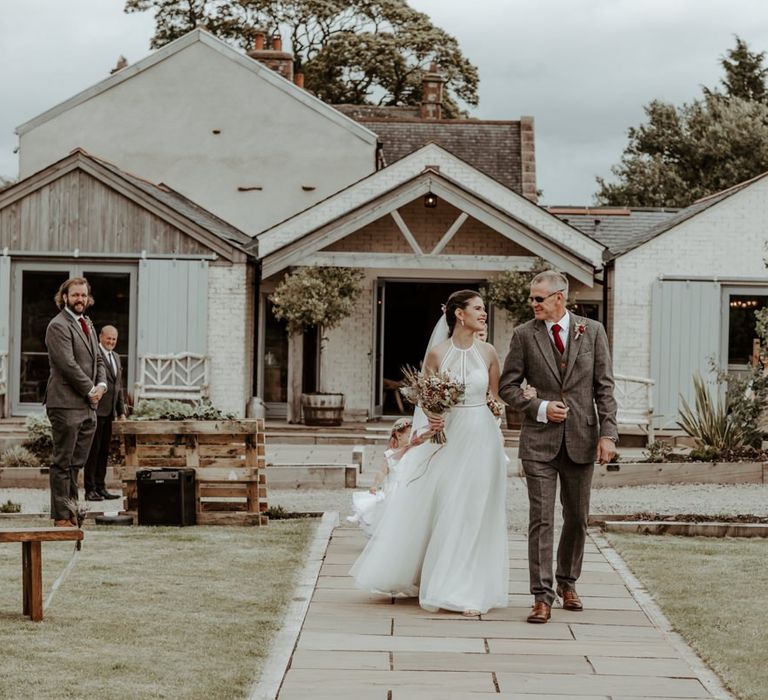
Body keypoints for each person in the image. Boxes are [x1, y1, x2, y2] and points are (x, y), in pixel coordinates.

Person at [351, 290, 509, 616]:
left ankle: (468, 585)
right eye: (478, 309)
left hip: (482, 438)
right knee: (448, 504)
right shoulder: (438, 354)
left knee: (475, 509)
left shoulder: (489, 352)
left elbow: (495, 400)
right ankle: (440, 579)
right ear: (459, 314)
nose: (484, 314)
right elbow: (424, 400)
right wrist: (433, 416)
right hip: (449, 437)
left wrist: (500, 413)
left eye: (483, 309)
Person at [498, 270, 618, 624]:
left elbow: (604, 389)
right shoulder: (524, 335)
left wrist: (608, 434)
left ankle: (568, 583)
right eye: (532, 298)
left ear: (559, 298)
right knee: (541, 520)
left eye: (538, 298)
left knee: (577, 518)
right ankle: (541, 596)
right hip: (539, 444)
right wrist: (539, 407)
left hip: (582, 439)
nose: (532, 304)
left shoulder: (592, 331)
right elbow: (507, 387)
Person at [44, 278, 107, 526]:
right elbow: (67, 364)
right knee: (62, 463)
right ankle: (61, 517)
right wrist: (90, 389)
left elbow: (99, 360)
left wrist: (101, 386)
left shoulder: (87, 323)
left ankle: (71, 512)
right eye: (75, 295)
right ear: (65, 297)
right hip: (65, 404)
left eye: (83, 295)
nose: (79, 299)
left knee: (75, 465)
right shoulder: (57, 326)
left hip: (88, 406)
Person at [347, 418, 423, 537]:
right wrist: (376, 484)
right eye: (409, 435)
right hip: (393, 489)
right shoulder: (389, 454)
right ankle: (387, 533)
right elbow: (382, 471)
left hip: (409, 487)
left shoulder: (414, 451)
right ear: (399, 435)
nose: (413, 438)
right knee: (389, 510)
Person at [84, 325, 126, 502]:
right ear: (100, 336)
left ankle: (101, 488)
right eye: (108, 338)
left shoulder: (116, 357)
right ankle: (90, 489)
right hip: (96, 410)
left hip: (109, 413)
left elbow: (118, 387)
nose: (111, 342)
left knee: (104, 451)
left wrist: (121, 411)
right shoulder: (94, 355)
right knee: (93, 452)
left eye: (114, 339)